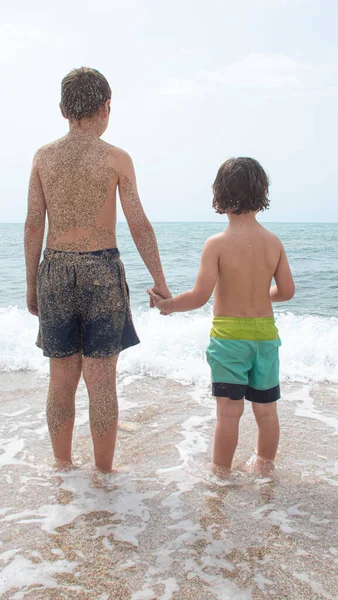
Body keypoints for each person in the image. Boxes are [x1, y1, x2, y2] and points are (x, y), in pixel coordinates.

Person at [24, 67, 171, 473]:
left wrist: (30, 284)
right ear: (107, 107)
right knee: (101, 381)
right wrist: (160, 280)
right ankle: (104, 473)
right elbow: (139, 223)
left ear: (62, 110)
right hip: (102, 273)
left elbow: (34, 223)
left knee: (61, 378)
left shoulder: (43, 157)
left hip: (53, 269)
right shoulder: (117, 159)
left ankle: (62, 467)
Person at [148, 157, 295, 474]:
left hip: (229, 340)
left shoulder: (216, 244)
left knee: (229, 414)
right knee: (267, 412)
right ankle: (264, 468)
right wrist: (260, 295)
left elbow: (200, 296)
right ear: (263, 193)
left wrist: (168, 305)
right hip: (266, 336)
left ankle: (221, 476)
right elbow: (286, 291)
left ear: (220, 194)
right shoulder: (274, 243)